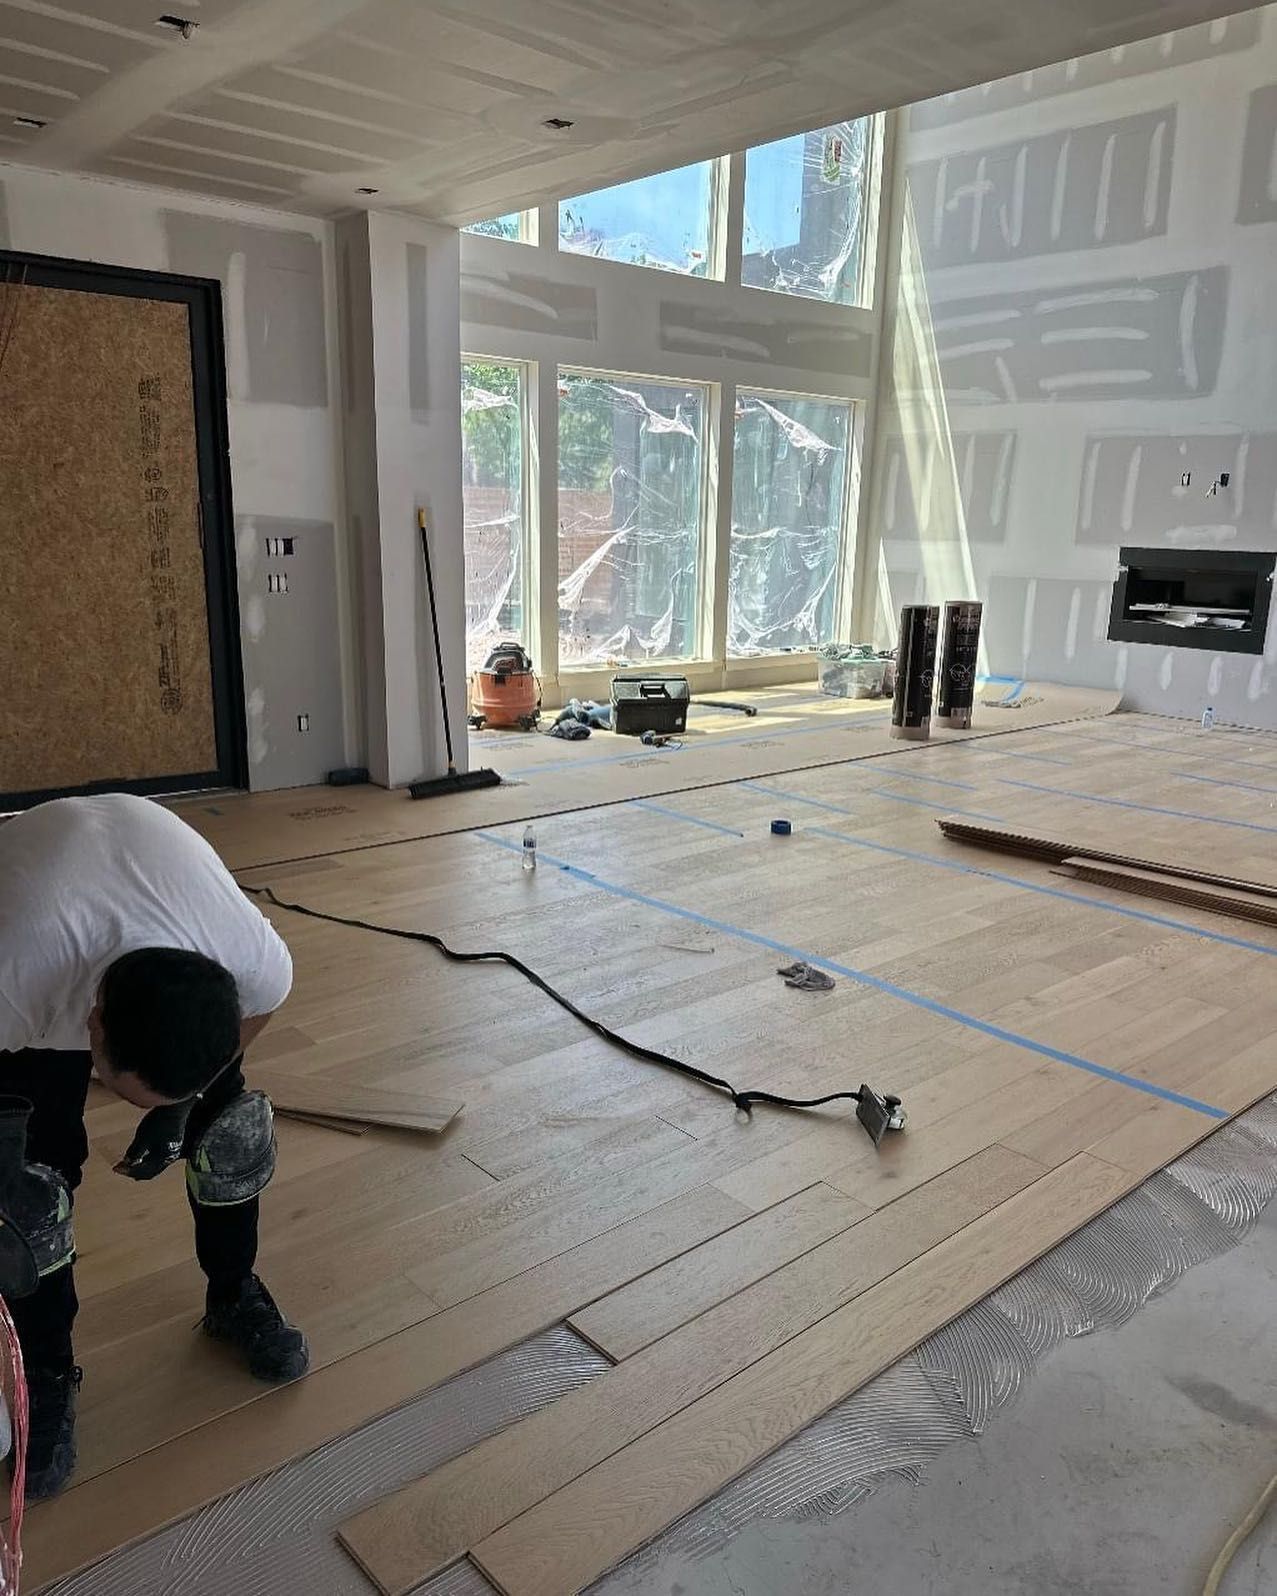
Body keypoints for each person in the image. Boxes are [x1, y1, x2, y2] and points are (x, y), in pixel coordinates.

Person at [0, 792, 309, 1500]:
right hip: (42, 888)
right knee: (23, 1189)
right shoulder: (14, 976)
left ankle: (233, 1296)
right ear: (91, 1027)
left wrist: (184, 1109)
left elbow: (252, 1019)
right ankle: (45, 1371)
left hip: (143, 857)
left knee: (232, 1135)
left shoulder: (249, 961)